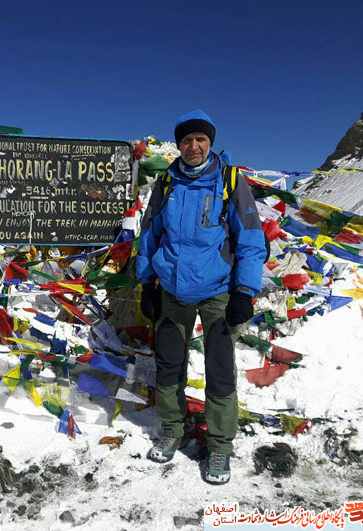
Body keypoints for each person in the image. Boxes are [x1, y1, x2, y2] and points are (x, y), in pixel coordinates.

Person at [136, 110, 265, 484]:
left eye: (201, 140)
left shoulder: (230, 181)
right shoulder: (166, 183)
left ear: (210, 143)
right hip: (173, 291)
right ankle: (173, 430)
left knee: (220, 369)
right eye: (187, 140)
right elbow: (149, 236)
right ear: (178, 145)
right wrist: (147, 285)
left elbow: (252, 238)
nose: (194, 146)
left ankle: (221, 447)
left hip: (217, 293)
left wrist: (244, 290)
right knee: (169, 365)